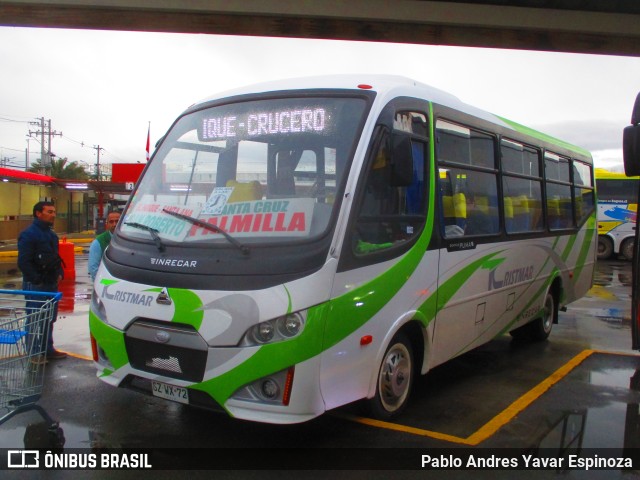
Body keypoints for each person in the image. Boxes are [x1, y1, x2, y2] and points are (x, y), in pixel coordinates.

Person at [17, 201, 67, 362]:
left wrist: (60, 273)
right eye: (49, 211)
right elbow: (24, 262)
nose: (53, 215)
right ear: (38, 213)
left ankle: (47, 349)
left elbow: (55, 258)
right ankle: (33, 352)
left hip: (51, 284)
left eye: (54, 212)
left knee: (49, 318)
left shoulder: (51, 235)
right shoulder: (29, 234)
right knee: (35, 318)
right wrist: (36, 279)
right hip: (36, 285)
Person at [88, 211, 121, 281]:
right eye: (111, 222)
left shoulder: (128, 240)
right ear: (107, 225)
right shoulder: (98, 242)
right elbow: (93, 268)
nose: (114, 224)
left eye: (117, 221)